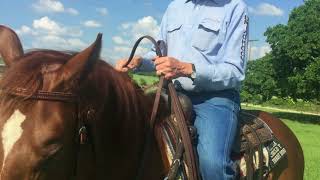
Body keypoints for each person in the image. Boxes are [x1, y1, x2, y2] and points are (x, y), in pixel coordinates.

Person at [115, 0, 249, 179]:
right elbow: (159, 55)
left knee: (212, 164)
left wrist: (187, 69)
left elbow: (235, 71)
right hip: (172, 93)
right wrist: (138, 62)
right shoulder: (175, 7)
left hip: (215, 98)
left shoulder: (235, 7)